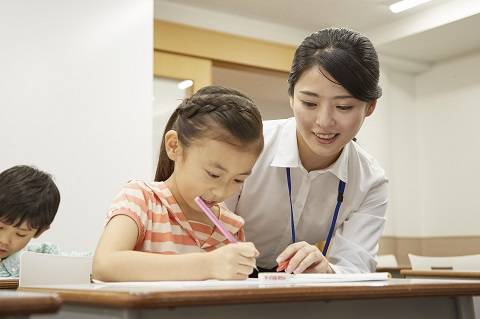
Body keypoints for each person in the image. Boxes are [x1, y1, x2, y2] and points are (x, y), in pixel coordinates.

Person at [225, 27, 388, 275]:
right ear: (291, 97)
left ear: (369, 107)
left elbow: (355, 266)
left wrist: (327, 270)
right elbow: (203, 230)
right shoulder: (247, 145)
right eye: (310, 103)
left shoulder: (370, 181)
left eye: (344, 106)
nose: (324, 121)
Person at [93, 86, 264, 282]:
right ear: (174, 146)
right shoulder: (141, 199)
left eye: (238, 179)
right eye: (213, 174)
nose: (221, 192)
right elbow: (105, 265)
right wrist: (208, 265)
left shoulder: (231, 226)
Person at [0, 165, 61, 277]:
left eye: (20, 234)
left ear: (40, 231)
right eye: (0, 227)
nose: (3, 240)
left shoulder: (42, 255)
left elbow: (96, 267)